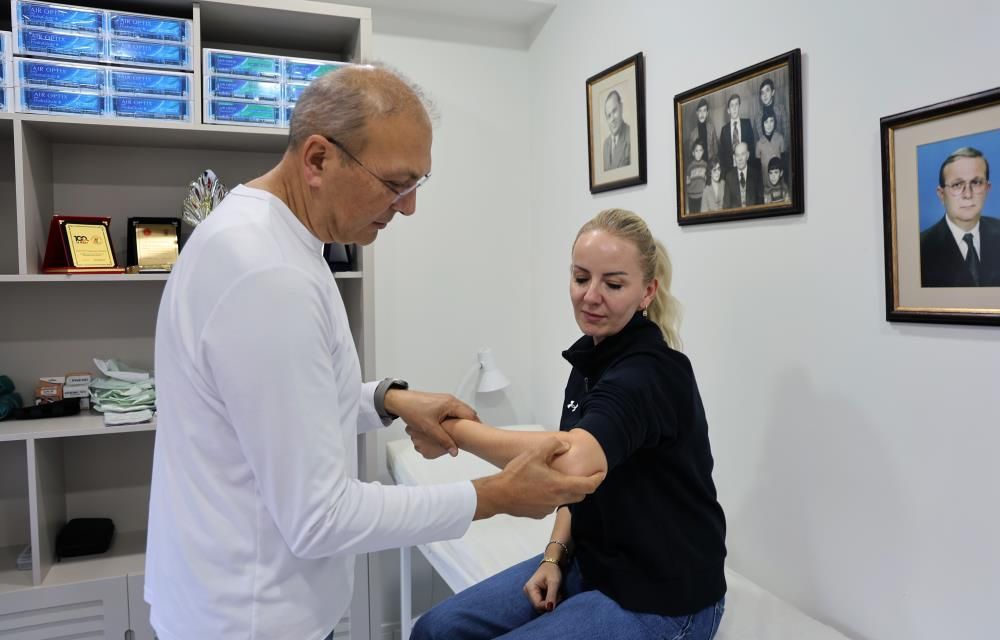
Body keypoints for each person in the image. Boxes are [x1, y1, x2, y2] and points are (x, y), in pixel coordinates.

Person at [144, 64, 602, 640]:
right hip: (250, 619)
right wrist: (496, 496)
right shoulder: (266, 274)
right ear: (318, 159)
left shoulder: (268, 238)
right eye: (395, 184)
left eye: (417, 185)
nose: (407, 208)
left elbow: (283, 407)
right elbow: (320, 517)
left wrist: (387, 400)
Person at [411, 209, 728, 640]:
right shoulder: (590, 361)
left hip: (664, 597)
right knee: (434, 629)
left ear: (647, 292)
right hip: (592, 564)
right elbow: (575, 491)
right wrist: (554, 556)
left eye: (613, 284)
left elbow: (568, 465)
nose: (590, 296)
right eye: (581, 278)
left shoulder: (652, 373)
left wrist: (451, 429)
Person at [920, 146, 1000, 286]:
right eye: (957, 185)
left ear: (987, 189)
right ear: (941, 194)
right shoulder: (921, 247)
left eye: (976, 182)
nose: (968, 194)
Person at [717, 93, 755, 170]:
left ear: (739, 107)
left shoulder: (747, 124)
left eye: (736, 104)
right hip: (731, 169)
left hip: (746, 167)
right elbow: (722, 154)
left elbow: (751, 148)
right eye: (732, 105)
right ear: (728, 110)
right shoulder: (724, 130)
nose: (734, 108)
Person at [724, 141, 763, 208]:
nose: (740, 159)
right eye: (737, 155)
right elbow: (726, 205)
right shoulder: (729, 177)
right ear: (734, 157)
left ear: (747, 155)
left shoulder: (756, 175)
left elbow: (760, 203)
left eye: (743, 154)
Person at [755, 112, 786, 193]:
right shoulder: (759, 144)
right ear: (763, 124)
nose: (769, 125)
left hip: (780, 185)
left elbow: (784, 163)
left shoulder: (780, 138)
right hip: (766, 187)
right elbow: (758, 169)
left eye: (771, 121)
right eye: (766, 122)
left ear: (775, 122)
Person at [602, 89, 631, 170]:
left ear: (621, 107)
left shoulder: (631, 135)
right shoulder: (605, 145)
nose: (612, 119)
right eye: (609, 116)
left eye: (614, 111)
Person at [688, 97, 719, 165]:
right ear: (697, 113)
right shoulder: (692, 134)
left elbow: (716, 150)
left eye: (704, 110)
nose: (702, 114)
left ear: (707, 113)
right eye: (700, 111)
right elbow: (691, 155)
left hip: (711, 165)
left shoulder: (711, 128)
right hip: (699, 166)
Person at [686, 140, 709, 213]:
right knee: (693, 214)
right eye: (696, 151)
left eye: (700, 150)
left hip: (702, 195)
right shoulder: (690, 167)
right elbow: (687, 182)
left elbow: (707, 180)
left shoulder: (705, 165)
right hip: (692, 197)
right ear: (693, 153)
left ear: (703, 152)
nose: (698, 153)